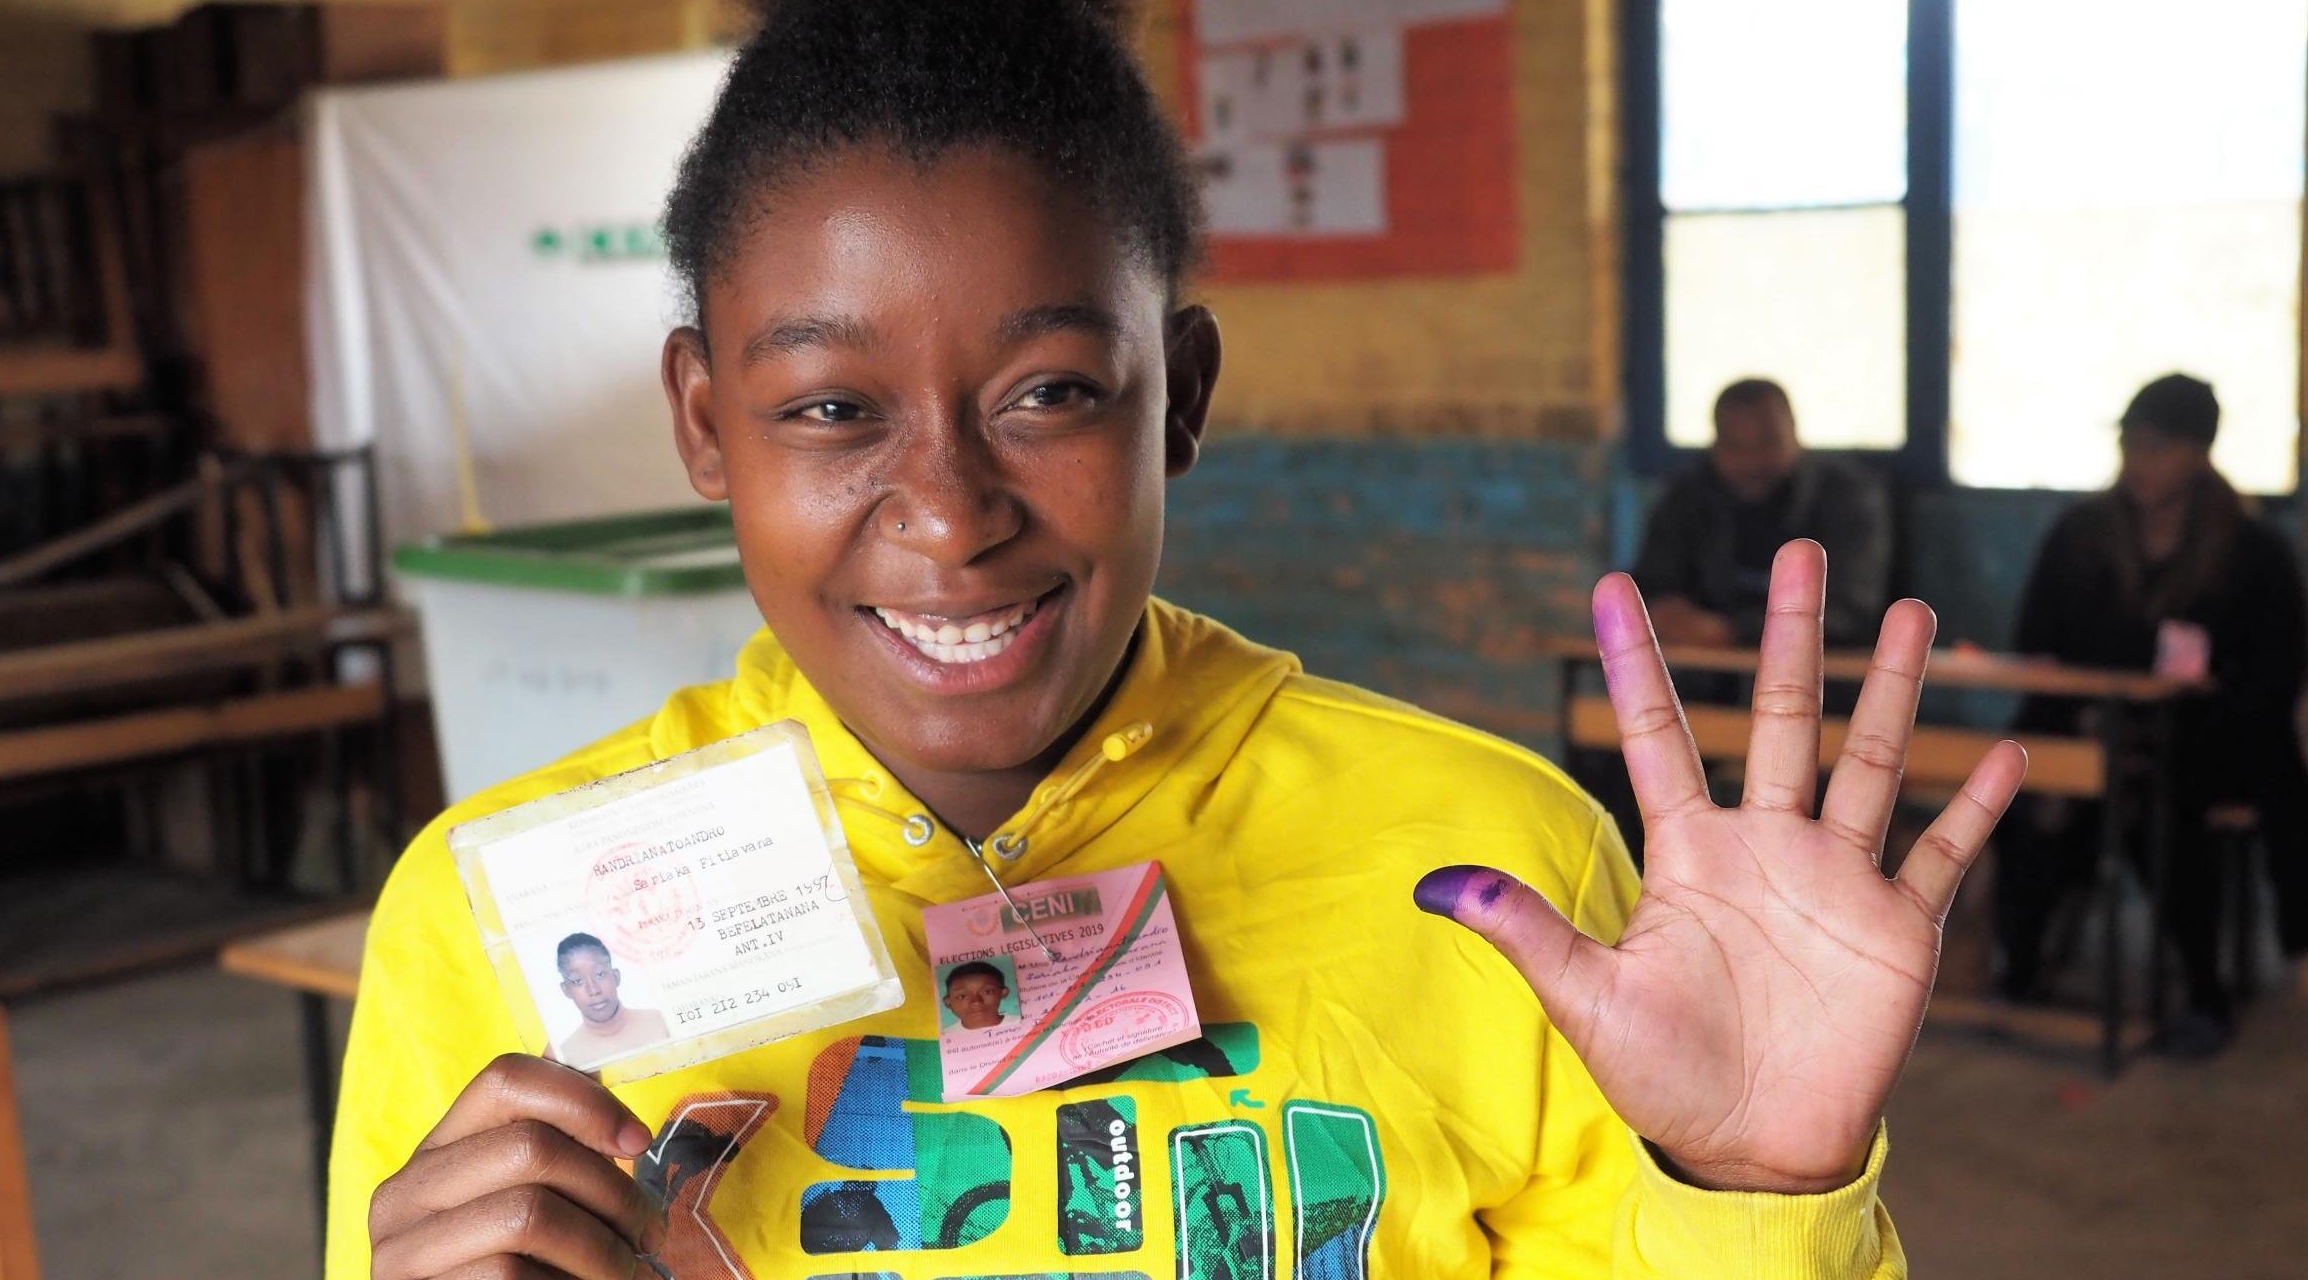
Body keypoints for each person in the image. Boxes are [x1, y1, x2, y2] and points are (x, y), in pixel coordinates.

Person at [330, 5, 2024, 1277]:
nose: (949, 506)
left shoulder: (1494, 875)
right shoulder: (491, 931)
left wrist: (1753, 1189)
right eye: (833, 406)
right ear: (708, 424)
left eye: (1049, 394)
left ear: (1184, 396)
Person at [1998, 372, 2308, 1057]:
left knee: (2164, 806)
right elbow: (2038, 640)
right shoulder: (2082, 534)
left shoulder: (2252, 551)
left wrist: (2174, 690)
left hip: (2205, 743)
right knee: (2030, 791)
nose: (2141, 462)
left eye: (2159, 448)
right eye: (2132, 445)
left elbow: (2270, 677)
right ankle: (2016, 968)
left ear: (2198, 454)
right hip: (2088, 724)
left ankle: (2204, 991)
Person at [1634, 378, 1893, 647]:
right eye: (1735, 447)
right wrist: (1665, 612)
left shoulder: (1848, 496)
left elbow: (1854, 610)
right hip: (1706, 677)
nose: (1751, 461)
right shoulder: (1688, 494)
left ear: (1794, 434)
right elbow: (1652, 583)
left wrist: (1733, 631)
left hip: (1827, 675)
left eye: (1767, 444)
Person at [549, 934, 670, 1065]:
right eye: (577, 981)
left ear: (616, 976)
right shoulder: (566, 1058)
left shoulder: (661, 1023)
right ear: (566, 990)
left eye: (600, 974)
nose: (593, 990)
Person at [940, 961, 1014, 1032]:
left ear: (1003, 993)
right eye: (962, 996)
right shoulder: (945, 1035)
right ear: (948, 1002)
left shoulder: (1020, 1024)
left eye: (988, 992)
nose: (976, 1002)